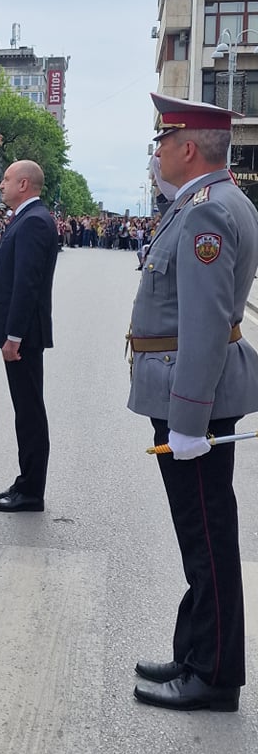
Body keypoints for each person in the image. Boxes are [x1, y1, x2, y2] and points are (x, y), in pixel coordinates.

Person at [127, 93, 258, 713]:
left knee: (206, 536)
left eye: (161, 141)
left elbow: (204, 324)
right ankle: (196, 651)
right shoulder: (207, 203)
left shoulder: (207, 213)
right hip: (190, 388)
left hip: (191, 395)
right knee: (201, 533)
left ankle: (214, 675)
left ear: (186, 148)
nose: (155, 152)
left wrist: (186, 420)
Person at [0, 160, 59, 513]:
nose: (3, 185)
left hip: (24, 336)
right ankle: (27, 482)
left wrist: (13, 336)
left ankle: (30, 490)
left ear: (24, 184)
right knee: (25, 410)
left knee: (29, 412)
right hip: (22, 334)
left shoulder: (33, 222)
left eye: (8, 179)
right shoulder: (30, 219)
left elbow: (26, 285)